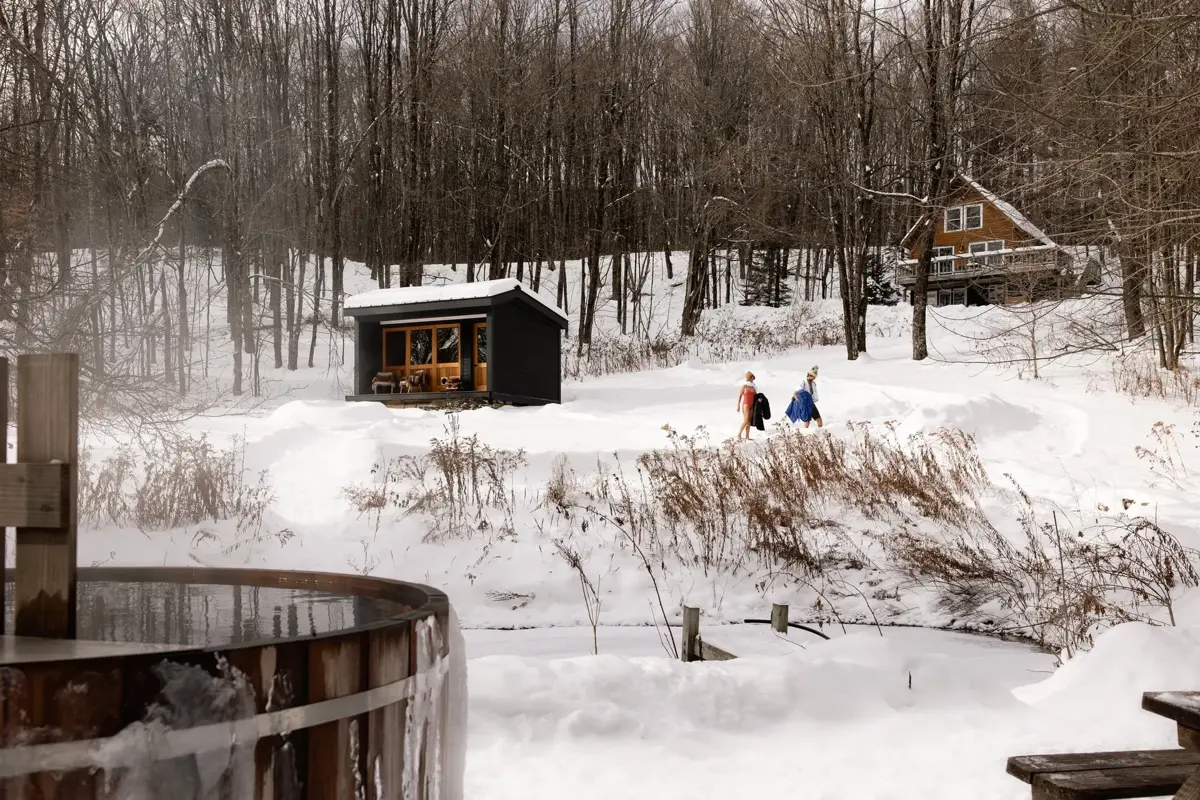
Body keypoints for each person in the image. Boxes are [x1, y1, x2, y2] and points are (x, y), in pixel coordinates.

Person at [736, 370, 757, 440]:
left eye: (753, 378)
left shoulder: (754, 387)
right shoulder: (744, 386)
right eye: (751, 378)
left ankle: (747, 436)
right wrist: (738, 405)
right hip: (746, 405)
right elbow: (739, 396)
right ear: (748, 378)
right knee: (745, 421)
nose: (752, 379)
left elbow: (756, 396)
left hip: (752, 405)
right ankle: (739, 434)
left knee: (749, 421)